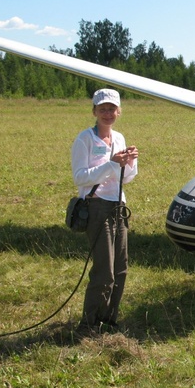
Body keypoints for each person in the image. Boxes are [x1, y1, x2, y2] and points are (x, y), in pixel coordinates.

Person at [71, 88, 139, 334]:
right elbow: (80, 178)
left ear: (118, 111)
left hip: (118, 205)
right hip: (96, 206)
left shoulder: (119, 138)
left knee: (121, 268)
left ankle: (109, 321)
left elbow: (127, 178)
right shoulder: (85, 139)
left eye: (112, 109)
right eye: (103, 109)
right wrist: (112, 164)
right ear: (94, 111)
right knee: (104, 270)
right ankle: (89, 325)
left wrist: (130, 163)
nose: (107, 113)